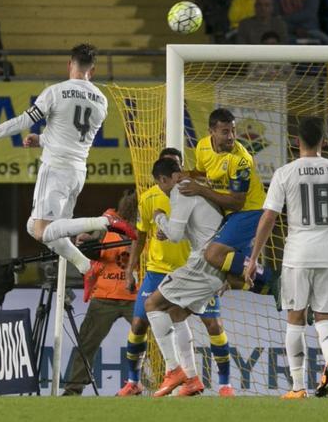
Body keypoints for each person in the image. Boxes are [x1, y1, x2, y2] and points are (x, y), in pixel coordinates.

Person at [0, 44, 136, 276]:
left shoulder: (56, 92)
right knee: (39, 227)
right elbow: (74, 135)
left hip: (55, 169)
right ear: (92, 71)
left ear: (69, 64)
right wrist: (42, 140)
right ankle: (88, 267)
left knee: (41, 230)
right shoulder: (101, 101)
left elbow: (23, 122)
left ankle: (104, 222)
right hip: (77, 172)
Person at [244, 117, 328, 399]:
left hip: (297, 255)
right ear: (324, 141)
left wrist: (253, 258)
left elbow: (269, 218)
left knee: (295, 319)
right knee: (326, 319)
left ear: (297, 141)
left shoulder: (285, 173)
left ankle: (298, 386)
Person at [139, 155, 237, 398]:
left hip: (202, 263)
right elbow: (194, 229)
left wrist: (159, 217)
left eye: (160, 183)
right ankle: (192, 379)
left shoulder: (180, 190)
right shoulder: (195, 190)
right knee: (176, 313)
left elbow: (174, 235)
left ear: (165, 179)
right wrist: (170, 228)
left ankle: (173, 370)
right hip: (216, 265)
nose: (162, 188)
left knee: (152, 304)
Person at [116, 148, 191, 396]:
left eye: (176, 167)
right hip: (157, 271)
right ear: (160, 175)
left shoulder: (192, 194)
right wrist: (130, 270)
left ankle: (210, 383)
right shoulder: (148, 198)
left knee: (210, 324)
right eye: (167, 168)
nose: (173, 172)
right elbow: (139, 236)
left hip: (187, 271)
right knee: (138, 324)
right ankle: (133, 382)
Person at [183, 108, 276, 294]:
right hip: (230, 214)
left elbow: (236, 203)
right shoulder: (202, 146)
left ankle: (273, 279)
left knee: (213, 254)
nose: (231, 136)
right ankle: (275, 291)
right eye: (225, 132)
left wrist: (201, 189)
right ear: (211, 132)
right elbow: (203, 172)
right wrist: (186, 175)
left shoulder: (241, 160)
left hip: (250, 211)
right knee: (232, 277)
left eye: (233, 131)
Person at [62, 193, 138, 396]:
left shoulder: (150, 228)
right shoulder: (106, 225)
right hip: (106, 296)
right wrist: (85, 240)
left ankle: (156, 384)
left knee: (155, 342)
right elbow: (90, 246)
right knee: (87, 343)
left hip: (135, 297)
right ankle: (73, 388)